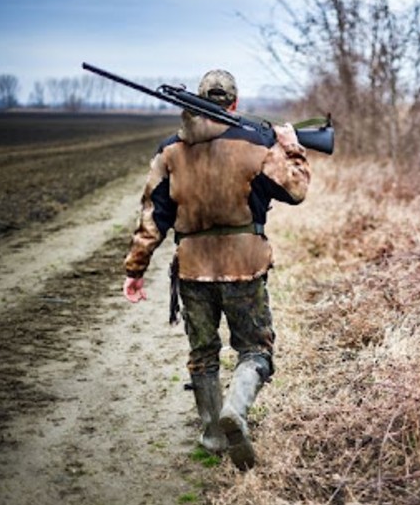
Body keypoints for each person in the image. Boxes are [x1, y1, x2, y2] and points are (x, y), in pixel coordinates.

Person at [121, 69, 311, 470]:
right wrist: (291, 148)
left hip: (193, 269)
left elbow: (152, 216)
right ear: (235, 104)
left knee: (203, 354)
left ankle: (211, 433)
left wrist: (136, 267)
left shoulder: (169, 150)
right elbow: (296, 190)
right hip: (246, 265)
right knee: (255, 350)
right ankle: (235, 411)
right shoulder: (257, 143)